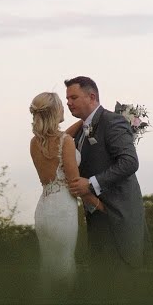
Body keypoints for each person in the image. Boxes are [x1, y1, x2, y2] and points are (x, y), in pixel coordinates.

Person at [63, 76, 148, 269]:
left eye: (73, 98)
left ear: (91, 96)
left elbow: (129, 162)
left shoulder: (113, 121)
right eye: (67, 99)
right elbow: (61, 140)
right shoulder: (80, 131)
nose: (68, 102)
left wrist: (91, 184)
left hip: (119, 217)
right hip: (96, 218)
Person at [29, 91, 101, 290]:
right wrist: (100, 205)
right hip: (62, 211)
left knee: (49, 266)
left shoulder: (35, 143)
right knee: (64, 266)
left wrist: (84, 120)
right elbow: (75, 184)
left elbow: (62, 137)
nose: (64, 108)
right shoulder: (65, 142)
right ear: (54, 112)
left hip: (43, 210)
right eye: (61, 105)